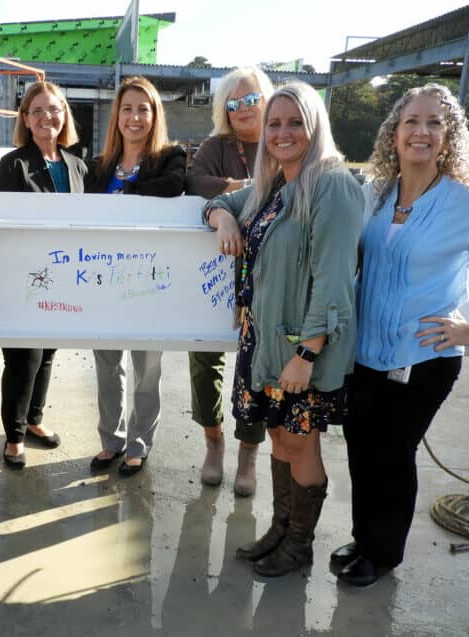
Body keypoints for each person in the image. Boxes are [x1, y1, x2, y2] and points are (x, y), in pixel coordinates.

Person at [332, 84, 469, 587]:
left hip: (423, 356)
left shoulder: (465, 201)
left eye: (434, 123)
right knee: (362, 447)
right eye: (412, 122)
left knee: (393, 452)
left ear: (449, 137)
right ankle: (364, 538)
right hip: (364, 352)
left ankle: (383, 554)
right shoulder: (378, 193)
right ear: (394, 133)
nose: (421, 132)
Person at [204, 81, 363, 576]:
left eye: (295, 122)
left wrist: (309, 354)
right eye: (274, 123)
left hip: (301, 348)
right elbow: (220, 205)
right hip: (266, 345)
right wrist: (224, 222)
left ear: (315, 125)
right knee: (278, 437)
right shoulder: (276, 185)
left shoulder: (331, 184)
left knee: (301, 442)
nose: (282, 132)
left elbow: (334, 281)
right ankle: (279, 528)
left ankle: (300, 545)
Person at [85, 76, 186, 476]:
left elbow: (172, 187)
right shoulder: (100, 165)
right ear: (117, 116)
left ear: (154, 114)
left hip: (151, 282)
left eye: (143, 108)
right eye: (127, 108)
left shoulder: (170, 157)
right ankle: (111, 440)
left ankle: (139, 444)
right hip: (103, 283)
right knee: (108, 367)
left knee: (147, 371)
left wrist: (126, 193)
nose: (134, 117)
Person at [185, 66, 274, 495]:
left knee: (255, 360)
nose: (244, 109)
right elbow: (194, 180)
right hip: (213, 273)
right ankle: (213, 441)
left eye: (251, 99)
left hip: (268, 273)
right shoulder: (216, 146)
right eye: (234, 103)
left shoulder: (282, 139)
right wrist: (231, 191)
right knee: (204, 358)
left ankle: (249, 451)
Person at [0, 81, 86, 469]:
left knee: (48, 352)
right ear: (26, 120)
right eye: (38, 111)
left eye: (55, 109)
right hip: (25, 278)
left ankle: (34, 420)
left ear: (65, 116)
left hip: (64, 273)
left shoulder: (78, 164)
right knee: (23, 356)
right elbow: (1, 223)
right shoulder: (14, 164)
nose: (48, 117)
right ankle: (13, 436)